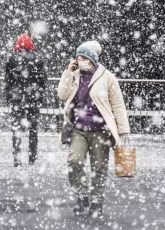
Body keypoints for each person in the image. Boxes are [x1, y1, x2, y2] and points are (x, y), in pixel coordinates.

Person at [57, 41, 130, 218]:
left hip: (100, 130)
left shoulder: (107, 77)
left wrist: (123, 130)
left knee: (99, 167)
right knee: (74, 162)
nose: (80, 60)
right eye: (78, 57)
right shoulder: (74, 74)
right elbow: (62, 95)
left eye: (83, 57)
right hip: (78, 129)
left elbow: (118, 105)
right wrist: (68, 72)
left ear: (92, 59)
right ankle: (82, 195)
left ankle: (96, 201)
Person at [5, 33, 47, 167]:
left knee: (16, 129)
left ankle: (17, 158)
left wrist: (9, 95)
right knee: (33, 130)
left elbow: (8, 81)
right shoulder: (38, 60)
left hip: (17, 99)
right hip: (33, 99)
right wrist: (38, 95)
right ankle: (32, 157)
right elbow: (42, 81)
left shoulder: (12, 60)